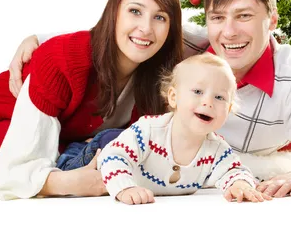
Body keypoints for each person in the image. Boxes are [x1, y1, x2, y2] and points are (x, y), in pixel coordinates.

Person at [5, 0, 291, 197]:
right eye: (218, 17)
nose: (229, 32)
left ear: (271, 21)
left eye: (244, 16)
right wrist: (39, 39)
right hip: (105, 150)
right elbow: (126, 31)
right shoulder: (193, 46)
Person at [0, 0, 184, 199]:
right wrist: (64, 183)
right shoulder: (63, 58)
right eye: (135, 11)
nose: (146, 28)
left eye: (160, 17)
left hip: (66, 132)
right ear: (114, 13)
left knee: (103, 150)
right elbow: (20, 165)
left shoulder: (163, 70)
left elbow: (214, 35)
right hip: (3, 114)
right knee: (51, 159)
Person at [99, 53, 270, 204]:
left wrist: (240, 184)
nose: (208, 102)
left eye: (219, 97)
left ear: (229, 108)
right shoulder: (148, 130)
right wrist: (124, 188)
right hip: (100, 147)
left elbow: (234, 170)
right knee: (88, 167)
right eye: (197, 91)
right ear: (174, 97)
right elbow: (113, 156)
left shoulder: (216, 149)